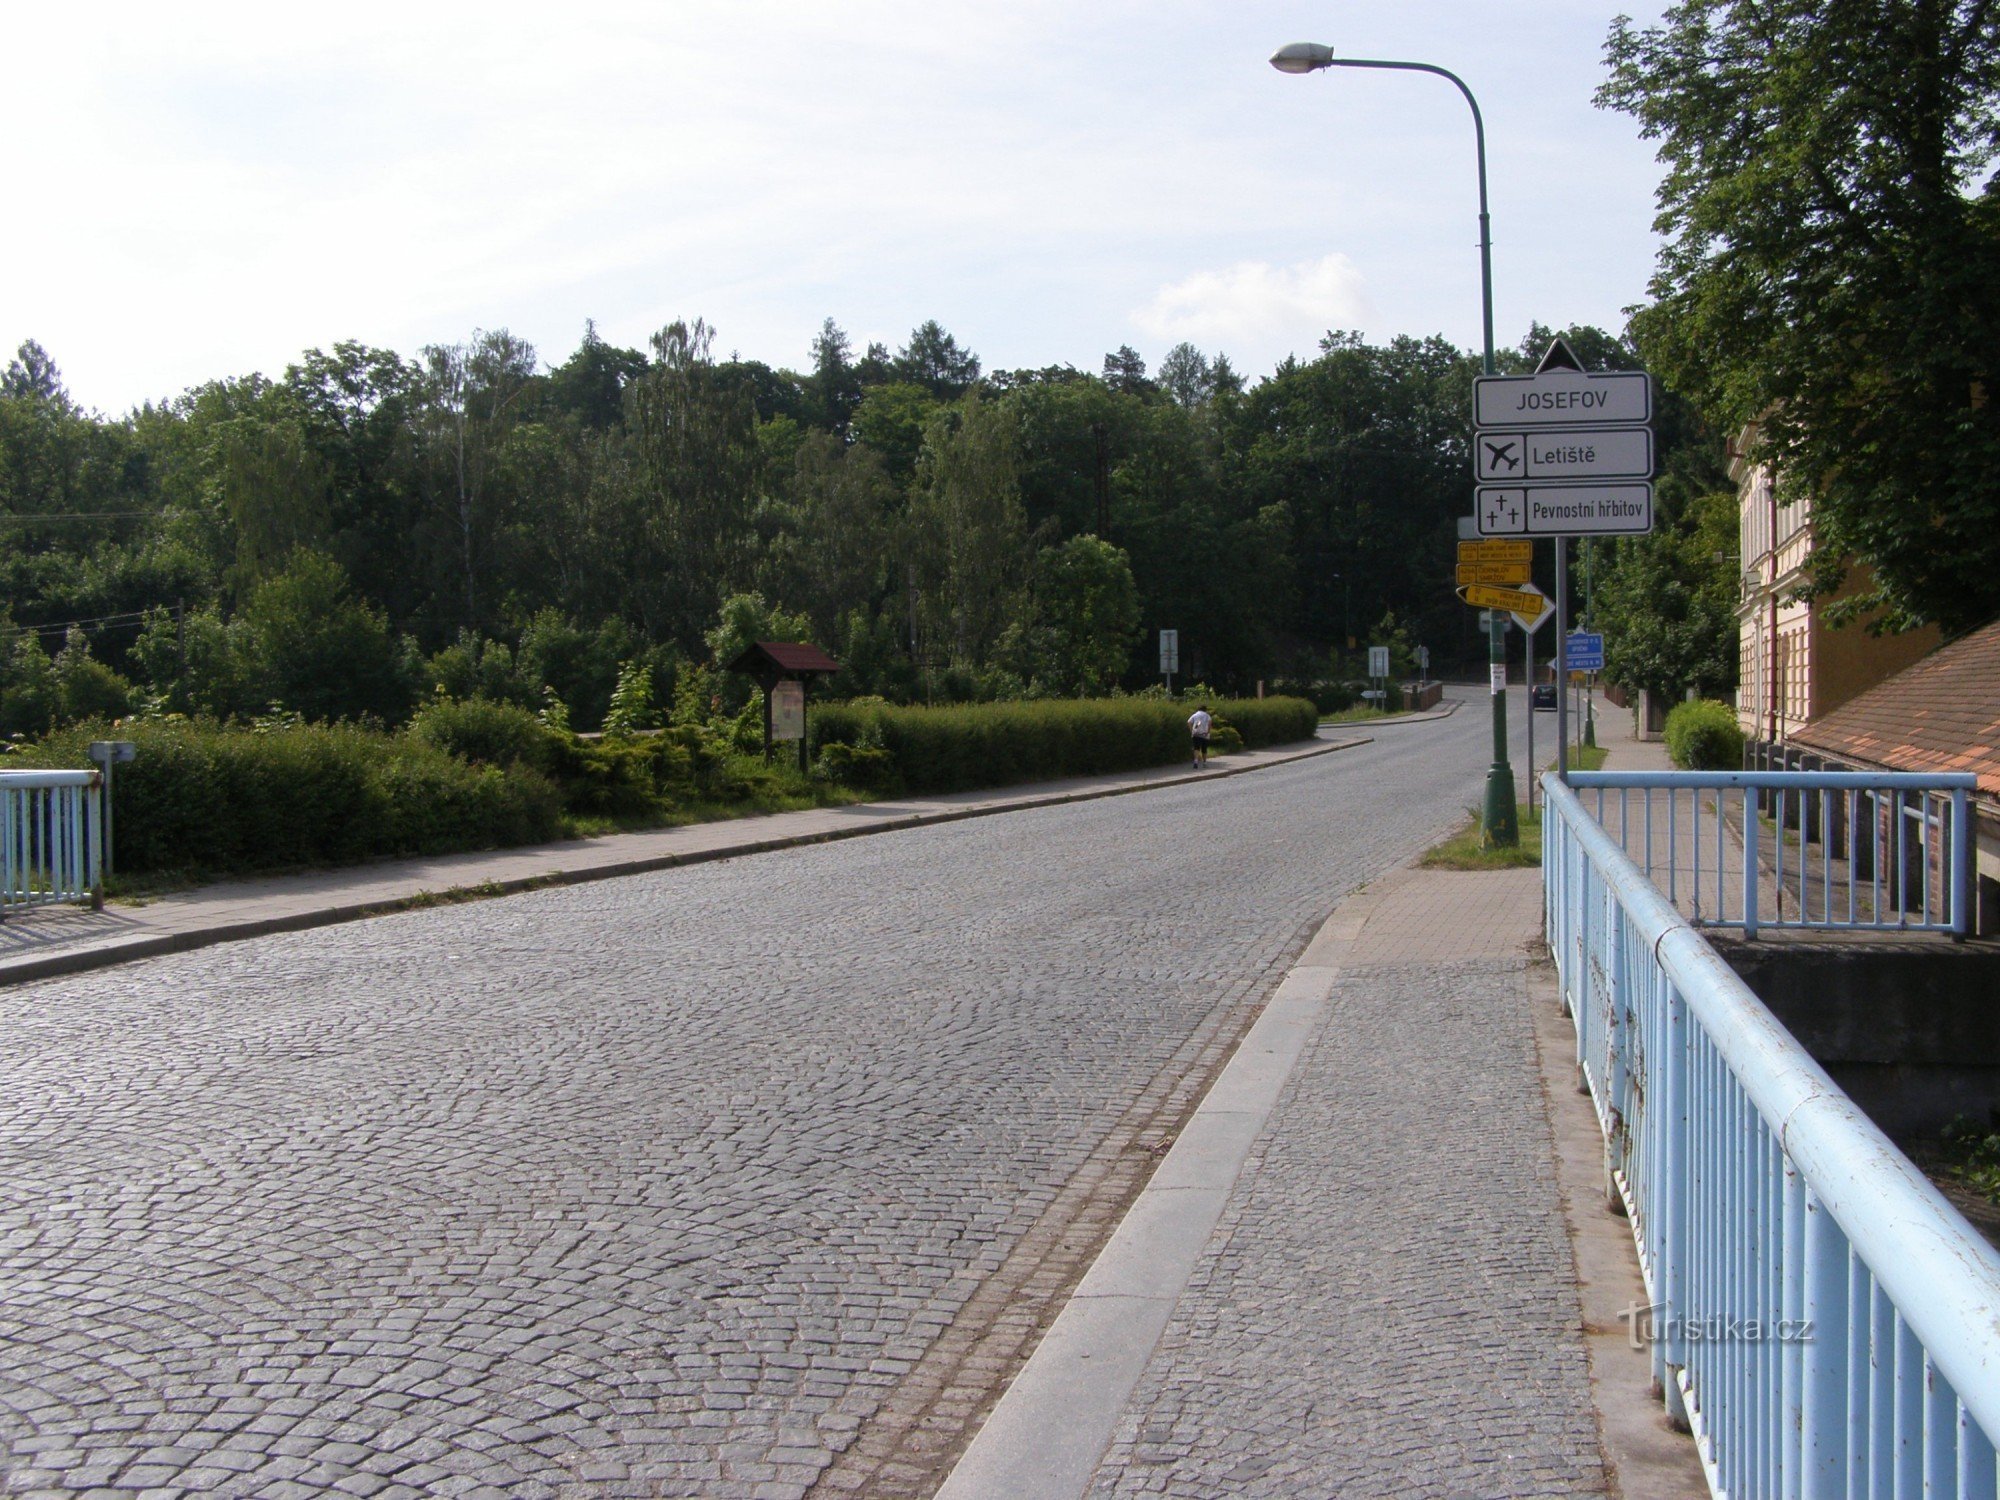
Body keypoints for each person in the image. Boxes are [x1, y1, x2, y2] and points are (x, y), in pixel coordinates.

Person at [1187, 704, 1212, 769]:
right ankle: (1204, 763)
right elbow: (1209, 723)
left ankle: (1195, 761)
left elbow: (1189, 722)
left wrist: (1191, 730)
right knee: (1204, 749)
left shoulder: (1195, 715)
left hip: (1196, 733)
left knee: (1196, 748)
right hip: (1204, 734)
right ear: (1205, 709)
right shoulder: (1207, 716)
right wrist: (1208, 732)